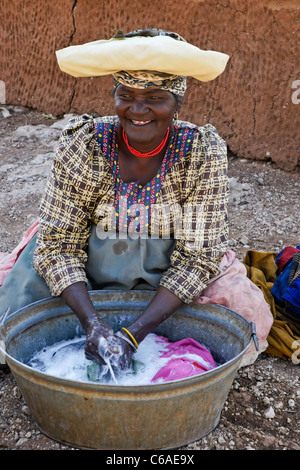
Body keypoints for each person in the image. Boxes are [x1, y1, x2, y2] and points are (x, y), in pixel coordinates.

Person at [0, 29, 230, 371]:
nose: (139, 109)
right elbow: (60, 245)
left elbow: (197, 258)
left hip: (163, 273)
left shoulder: (200, 153)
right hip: (88, 264)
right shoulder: (85, 145)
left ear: (177, 104)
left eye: (155, 97)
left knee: (237, 313)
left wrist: (132, 336)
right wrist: (93, 325)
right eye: (127, 95)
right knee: (15, 325)